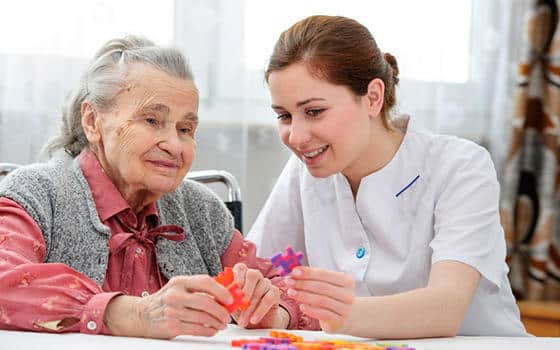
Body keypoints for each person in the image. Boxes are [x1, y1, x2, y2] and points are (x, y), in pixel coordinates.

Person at [0, 35, 303, 339]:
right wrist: (132, 314)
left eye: (185, 129)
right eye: (151, 120)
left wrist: (270, 309)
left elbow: (284, 283)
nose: (174, 145)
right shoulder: (35, 195)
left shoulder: (204, 212)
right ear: (92, 121)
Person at [247, 15, 528, 338]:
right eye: (283, 115)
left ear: (373, 97)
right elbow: (260, 272)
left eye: (314, 112)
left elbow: (445, 309)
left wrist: (338, 313)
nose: (296, 137)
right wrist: (256, 300)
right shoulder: (304, 171)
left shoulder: (461, 166)